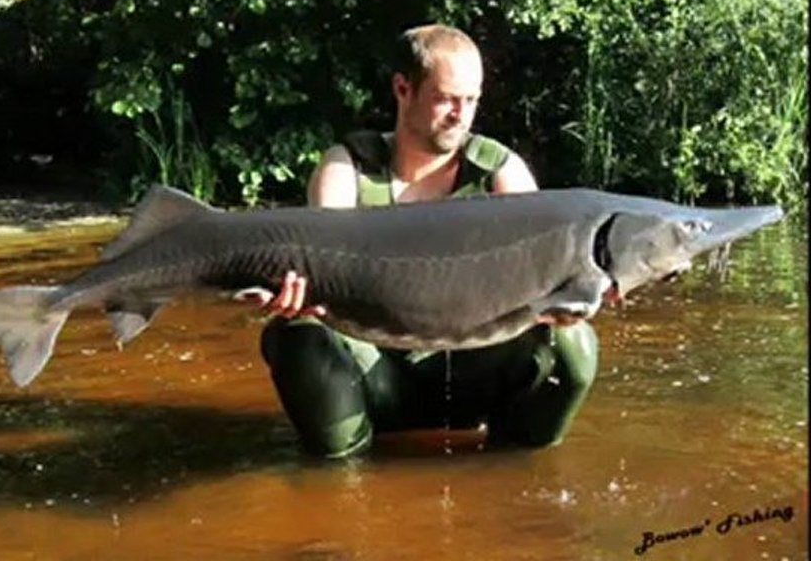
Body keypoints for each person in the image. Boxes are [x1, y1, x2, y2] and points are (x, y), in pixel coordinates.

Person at [246, 24, 599, 459]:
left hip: (473, 369)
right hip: (376, 372)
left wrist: (576, 295)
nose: (461, 114)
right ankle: (340, 471)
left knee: (572, 342)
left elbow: (548, 268)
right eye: (447, 98)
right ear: (402, 89)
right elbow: (321, 266)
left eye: (471, 100)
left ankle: (517, 465)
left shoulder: (500, 172)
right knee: (296, 332)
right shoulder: (347, 168)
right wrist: (296, 292)